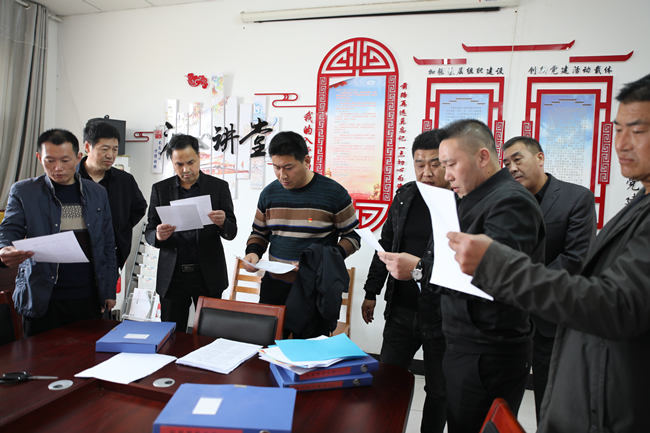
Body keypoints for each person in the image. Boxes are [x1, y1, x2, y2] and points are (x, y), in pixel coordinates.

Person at [448, 73, 650, 433]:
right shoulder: (640, 204)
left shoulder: (544, 199)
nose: (621, 143)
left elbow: (617, 303)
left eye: (637, 130)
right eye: (617, 130)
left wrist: (499, 267)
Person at [379, 119, 545, 433]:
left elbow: (491, 277)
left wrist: (418, 269)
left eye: (450, 164)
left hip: (488, 349)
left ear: (482, 157)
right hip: (462, 339)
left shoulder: (510, 202)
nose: (446, 175)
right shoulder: (472, 198)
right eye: (442, 165)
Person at [502, 135, 597, 422]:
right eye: (506, 163)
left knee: (549, 402)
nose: (512, 168)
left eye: (517, 159)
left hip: (550, 318)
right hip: (508, 319)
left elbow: (576, 258)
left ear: (540, 158)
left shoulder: (576, 198)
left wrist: (524, 286)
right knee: (502, 400)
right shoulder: (506, 200)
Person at [361, 129, 448, 433]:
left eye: (435, 164)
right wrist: (371, 291)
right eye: (420, 164)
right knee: (387, 381)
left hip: (442, 315)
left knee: (439, 390)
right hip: (401, 309)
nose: (427, 172)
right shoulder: (405, 195)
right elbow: (386, 246)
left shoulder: (462, 201)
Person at [0, 129, 117, 337]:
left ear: (78, 157)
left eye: (65, 160)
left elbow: (107, 243)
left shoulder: (97, 193)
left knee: (88, 355)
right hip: (43, 297)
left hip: (88, 297)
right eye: (50, 161)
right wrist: (4, 249)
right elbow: (9, 229)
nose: (58, 168)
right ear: (39, 158)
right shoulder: (24, 192)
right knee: (41, 356)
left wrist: (109, 290)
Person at [242, 131, 360, 306]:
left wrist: (324, 260)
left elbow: (353, 237)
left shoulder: (334, 194)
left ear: (306, 161)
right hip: (274, 286)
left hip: (316, 288)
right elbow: (260, 233)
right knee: (270, 325)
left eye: (288, 167)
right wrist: (253, 252)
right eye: (276, 167)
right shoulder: (269, 194)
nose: (282, 175)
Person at [145, 134, 237, 332]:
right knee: (171, 335)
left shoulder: (218, 187)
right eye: (179, 164)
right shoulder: (161, 189)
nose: (186, 169)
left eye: (190, 162)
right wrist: (158, 235)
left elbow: (232, 232)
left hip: (208, 274)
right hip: (173, 276)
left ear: (199, 157)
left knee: (210, 333)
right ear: (172, 162)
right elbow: (149, 230)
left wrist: (223, 223)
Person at [77, 120, 147, 270]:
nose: (110, 155)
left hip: (111, 258)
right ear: (87, 147)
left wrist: (120, 228)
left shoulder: (125, 180)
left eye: (115, 149)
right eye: (104, 149)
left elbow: (139, 207)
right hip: (76, 256)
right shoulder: (70, 179)